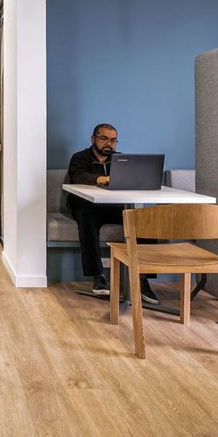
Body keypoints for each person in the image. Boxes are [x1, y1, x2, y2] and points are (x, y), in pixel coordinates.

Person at [67, 123, 158, 304]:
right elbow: (78, 177)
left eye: (113, 140)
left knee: (143, 221)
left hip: (115, 206)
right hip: (87, 206)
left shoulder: (122, 160)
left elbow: (133, 180)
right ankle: (98, 275)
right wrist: (102, 179)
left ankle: (142, 278)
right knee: (87, 218)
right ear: (93, 139)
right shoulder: (79, 158)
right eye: (104, 138)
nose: (109, 143)